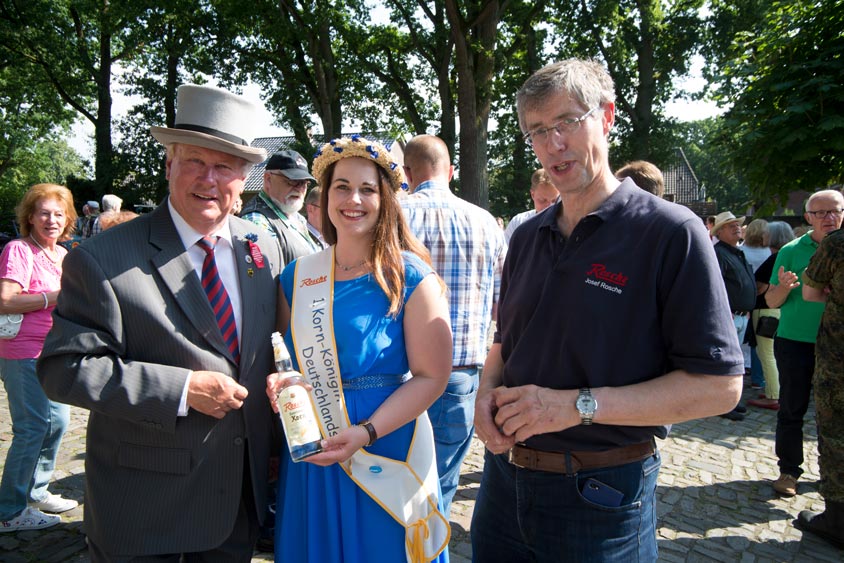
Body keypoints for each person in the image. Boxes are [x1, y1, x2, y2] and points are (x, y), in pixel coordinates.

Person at [471, 58, 743, 562]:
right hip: (503, 486)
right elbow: (505, 344)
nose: (554, 144)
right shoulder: (527, 235)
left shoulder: (670, 232)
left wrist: (574, 405)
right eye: (538, 131)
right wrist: (486, 395)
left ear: (608, 116)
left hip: (601, 496)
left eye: (567, 122)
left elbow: (720, 387)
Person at [37, 84, 283, 561]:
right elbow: (63, 369)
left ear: (245, 177)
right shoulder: (104, 257)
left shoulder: (263, 249)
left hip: (237, 506)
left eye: (226, 166)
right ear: (169, 165)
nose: (209, 179)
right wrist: (182, 389)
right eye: (195, 161)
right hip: (147, 510)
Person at [267, 135, 452, 563]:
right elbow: (286, 360)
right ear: (325, 196)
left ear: (385, 199)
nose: (354, 199)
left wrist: (366, 432)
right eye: (342, 187)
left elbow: (432, 377)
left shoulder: (410, 276)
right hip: (315, 448)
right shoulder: (296, 277)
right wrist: (281, 383)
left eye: (367, 189)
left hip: (383, 444)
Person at [400, 134, 507, 516]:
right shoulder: (486, 223)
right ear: (451, 171)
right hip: (460, 375)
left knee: (388, 484)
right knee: (440, 488)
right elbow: (503, 309)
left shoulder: (393, 215)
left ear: (407, 173)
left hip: (395, 378)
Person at [0, 184, 78, 533]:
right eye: (44, 213)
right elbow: (6, 300)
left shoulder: (61, 254)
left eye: (59, 214)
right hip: (22, 351)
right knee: (32, 428)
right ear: (29, 217)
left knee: (58, 422)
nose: (52, 220)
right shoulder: (19, 250)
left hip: (53, 350)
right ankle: (9, 510)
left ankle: (36, 491)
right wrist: (53, 298)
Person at [765, 189, 844, 498]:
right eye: (821, 212)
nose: (829, 217)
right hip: (797, 341)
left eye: (835, 211)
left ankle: (833, 478)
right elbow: (771, 299)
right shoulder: (792, 250)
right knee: (792, 408)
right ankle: (789, 470)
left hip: (837, 345)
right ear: (808, 217)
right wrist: (784, 287)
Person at [799, 227, 844, 547]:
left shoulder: (837, 244)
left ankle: (838, 519)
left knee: (836, 435)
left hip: (838, 360)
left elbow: (811, 291)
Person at [711, 211, 756, 421]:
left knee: (735, 363)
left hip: (740, 316)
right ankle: (723, 404)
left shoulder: (737, 252)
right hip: (728, 316)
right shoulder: (719, 253)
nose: (737, 227)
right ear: (719, 232)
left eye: (737, 224)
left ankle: (731, 401)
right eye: (731, 226)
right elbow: (714, 284)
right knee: (726, 363)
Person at [241, 149, 321, 264]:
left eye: (304, 183)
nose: (299, 188)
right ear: (268, 179)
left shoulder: (296, 216)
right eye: (292, 181)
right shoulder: (256, 220)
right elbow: (266, 273)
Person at [747, 221, 795, 410]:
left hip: (766, 310)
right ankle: (776, 390)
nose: (764, 236)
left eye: (767, 233)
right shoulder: (786, 254)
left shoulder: (775, 258)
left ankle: (773, 395)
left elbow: (761, 286)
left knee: (766, 353)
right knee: (772, 353)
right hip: (778, 310)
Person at [741, 219, 772, 391]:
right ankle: (759, 377)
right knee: (761, 339)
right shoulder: (768, 253)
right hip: (765, 301)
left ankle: (749, 372)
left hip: (746, 299)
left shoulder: (741, 251)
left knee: (749, 339)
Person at [503, 168, 558, 242]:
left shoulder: (568, 225)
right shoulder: (518, 223)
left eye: (554, 201)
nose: (549, 207)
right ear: (533, 195)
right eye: (542, 200)